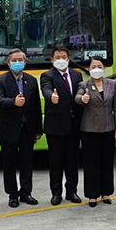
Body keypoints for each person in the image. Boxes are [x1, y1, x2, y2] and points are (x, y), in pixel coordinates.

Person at [0, 48, 42, 207]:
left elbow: (36, 107)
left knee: (27, 163)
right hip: (9, 129)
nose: (17, 63)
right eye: (13, 60)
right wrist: (13, 102)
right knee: (9, 164)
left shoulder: (31, 80)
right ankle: (12, 194)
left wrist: (38, 129)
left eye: (20, 60)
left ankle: (26, 193)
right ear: (8, 62)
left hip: (27, 129)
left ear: (25, 62)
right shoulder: (0, 80)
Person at [40, 45, 84, 205]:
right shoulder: (47, 76)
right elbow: (45, 89)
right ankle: (56, 193)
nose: (61, 60)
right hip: (56, 126)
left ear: (68, 58)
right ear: (52, 60)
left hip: (74, 125)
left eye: (64, 57)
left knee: (72, 161)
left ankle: (72, 191)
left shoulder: (77, 75)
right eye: (57, 57)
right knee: (56, 161)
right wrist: (51, 96)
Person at [76, 56, 116, 206]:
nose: (96, 69)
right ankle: (92, 195)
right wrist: (83, 99)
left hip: (108, 128)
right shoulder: (84, 84)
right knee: (91, 163)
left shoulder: (112, 84)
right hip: (89, 130)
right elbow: (77, 97)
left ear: (104, 68)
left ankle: (106, 193)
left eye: (99, 66)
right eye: (93, 66)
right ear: (88, 69)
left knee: (107, 162)